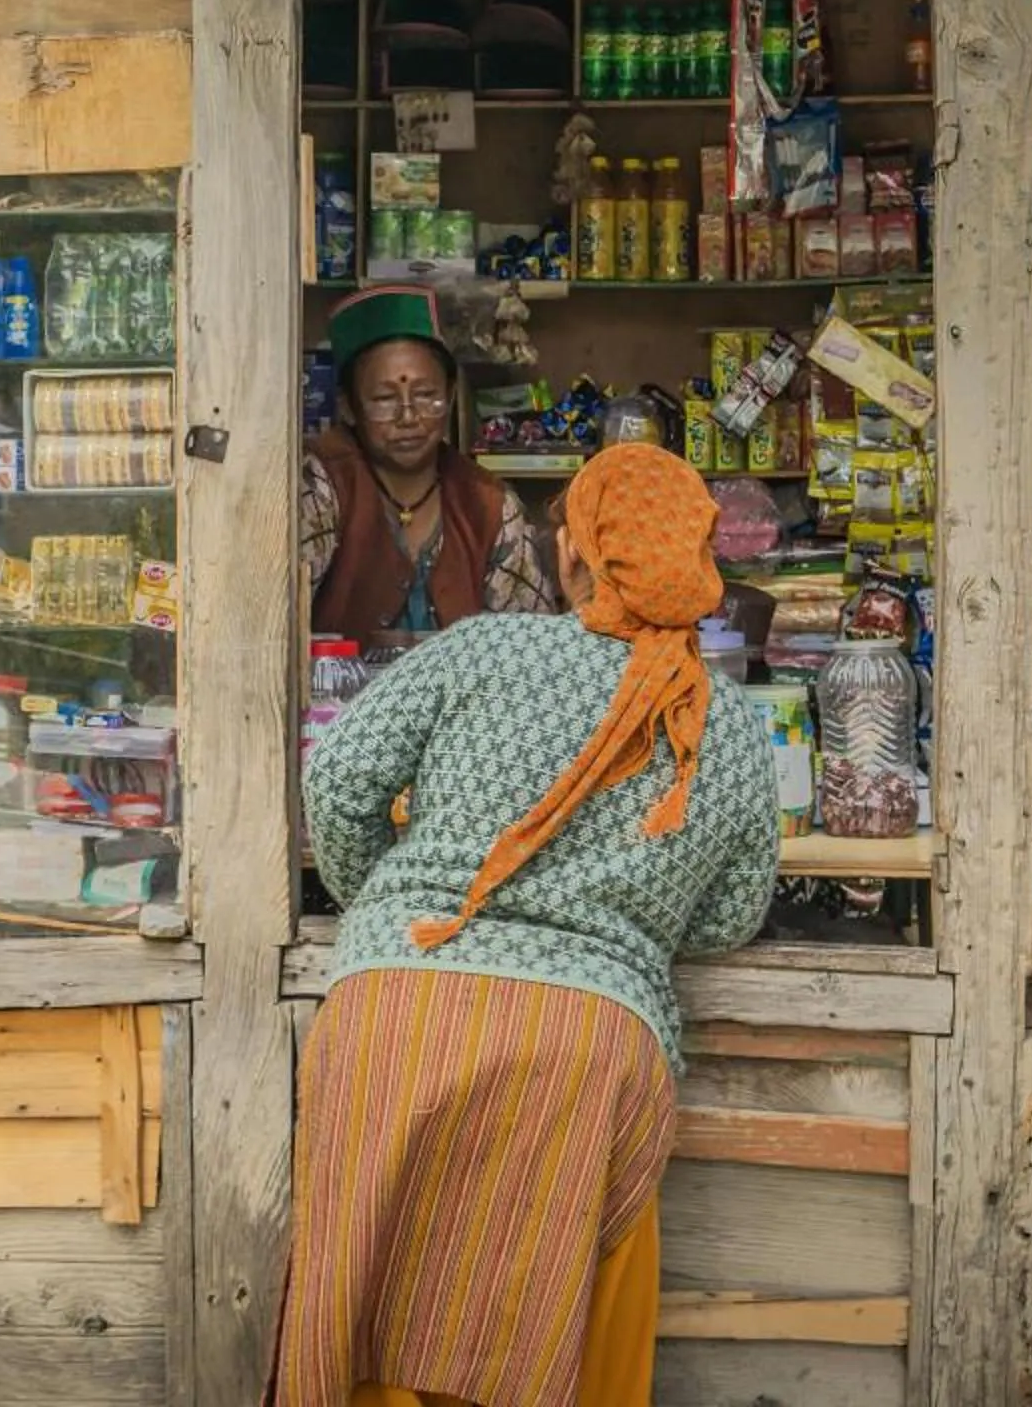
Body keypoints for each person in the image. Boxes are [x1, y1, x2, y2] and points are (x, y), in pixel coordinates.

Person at [278, 443, 783, 1407]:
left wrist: (384, 907)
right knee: (552, 1334)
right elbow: (728, 915)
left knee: (366, 1313)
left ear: (577, 552)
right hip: (585, 1048)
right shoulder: (727, 723)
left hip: (400, 1015)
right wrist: (623, 905)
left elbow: (337, 782)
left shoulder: (486, 647)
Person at [305, 285, 557, 636]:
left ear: (451, 397)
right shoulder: (319, 485)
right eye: (383, 398)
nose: (408, 416)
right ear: (349, 406)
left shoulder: (489, 504)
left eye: (426, 395)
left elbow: (530, 643)